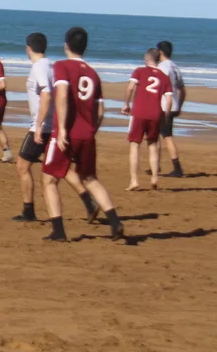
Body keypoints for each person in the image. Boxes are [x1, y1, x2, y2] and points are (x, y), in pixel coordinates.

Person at [40, 27, 125, 242]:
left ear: (66, 45)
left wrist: (62, 130)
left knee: (49, 179)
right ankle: (115, 222)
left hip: (66, 133)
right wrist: (91, 130)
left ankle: (58, 230)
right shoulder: (93, 74)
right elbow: (100, 110)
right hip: (87, 134)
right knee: (90, 178)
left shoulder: (61, 66)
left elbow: (62, 95)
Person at [13, 33, 98, 223]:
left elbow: (47, 94)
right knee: (62, 167)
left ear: (28, 49)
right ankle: (89, 202)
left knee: (22, 166)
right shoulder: (51, 65)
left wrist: (38, 124)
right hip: (54, 125)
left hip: (43, 126)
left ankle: (28, 211)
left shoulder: (39, 67)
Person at [122, 49, 173, 191]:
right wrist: (166, 115)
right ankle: (155, 177)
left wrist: (126, 104)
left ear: (147, 59)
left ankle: (134, 180)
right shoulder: (164, 77)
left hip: (139, 113)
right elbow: (169, 100)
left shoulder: (139, 71)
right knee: (153, 145)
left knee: (134, 145)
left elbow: (130, 87)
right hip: (155, 114)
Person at [156, 41, 187, 177]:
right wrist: (179, 106)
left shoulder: (161, 67)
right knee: (159, 135)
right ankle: (155, 165)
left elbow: (158, 87)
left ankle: (177, 168)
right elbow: (182, 90)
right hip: (173, 105)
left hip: (164, 106)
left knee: (165, 136)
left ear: (161, 52)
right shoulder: (175, 67)